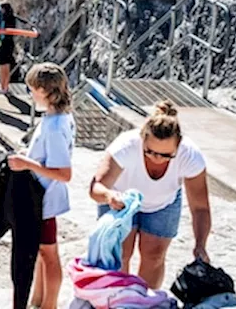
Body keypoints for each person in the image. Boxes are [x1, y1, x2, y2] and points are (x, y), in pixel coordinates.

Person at [89, 101, 212, 289]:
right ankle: (118, 299)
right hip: (121, 202)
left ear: (178, 146)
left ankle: (144, 301)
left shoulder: (190, 155)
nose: (157, 158)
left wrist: (200, 245)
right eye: (150, 152)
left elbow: (200, 208)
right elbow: (96, 187)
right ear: (142, 139)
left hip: (162, 203)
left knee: (154, 255)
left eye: (166, 155)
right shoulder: (126, 145)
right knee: (119, 254)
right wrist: (108, 196)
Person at [6, 63, 73, 309]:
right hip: (43, 199)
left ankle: (50, 305)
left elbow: (64, 173)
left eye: (32, 89)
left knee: (48, 254)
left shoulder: (55, 126)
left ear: (44, 90)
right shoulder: (57, 117)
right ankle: (39, 299)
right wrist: (30, 156)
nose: (30, 93)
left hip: (44, 200)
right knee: (41, 253)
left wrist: (27, 163)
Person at [0, 2, 19, 95]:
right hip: (10, 44)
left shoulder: (4, 19)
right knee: (7, 66)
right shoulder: (13, 18)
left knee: (2, 67)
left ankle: (3, 87)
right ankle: (5, 86)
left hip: (3, 45)